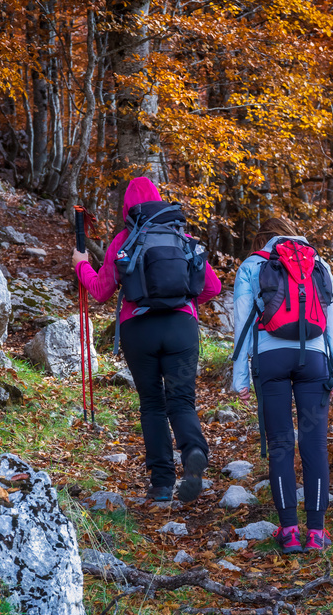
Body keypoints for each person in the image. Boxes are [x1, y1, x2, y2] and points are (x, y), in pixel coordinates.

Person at [72, 176, 221, 502]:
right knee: (181, 401)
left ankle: (162, 483)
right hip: (181, 328)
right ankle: (194, 449)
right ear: (159, 200)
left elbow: (99, 292)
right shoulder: (182, 236)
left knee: (152, 405)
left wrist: (81, 267)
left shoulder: (124, 240)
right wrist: (182, 302)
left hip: (139, 330)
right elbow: (212, 288)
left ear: (127, 206)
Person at [232, 218, 333, 552]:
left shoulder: (253, 265)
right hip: (314, 361)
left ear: (262, 239)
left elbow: (242, 324)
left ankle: (289, 532)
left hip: (271, 361)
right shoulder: (318, 263)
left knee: (281, 443)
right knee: (315, 445)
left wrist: (240, 378)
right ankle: (317, 533)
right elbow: (332, 323)